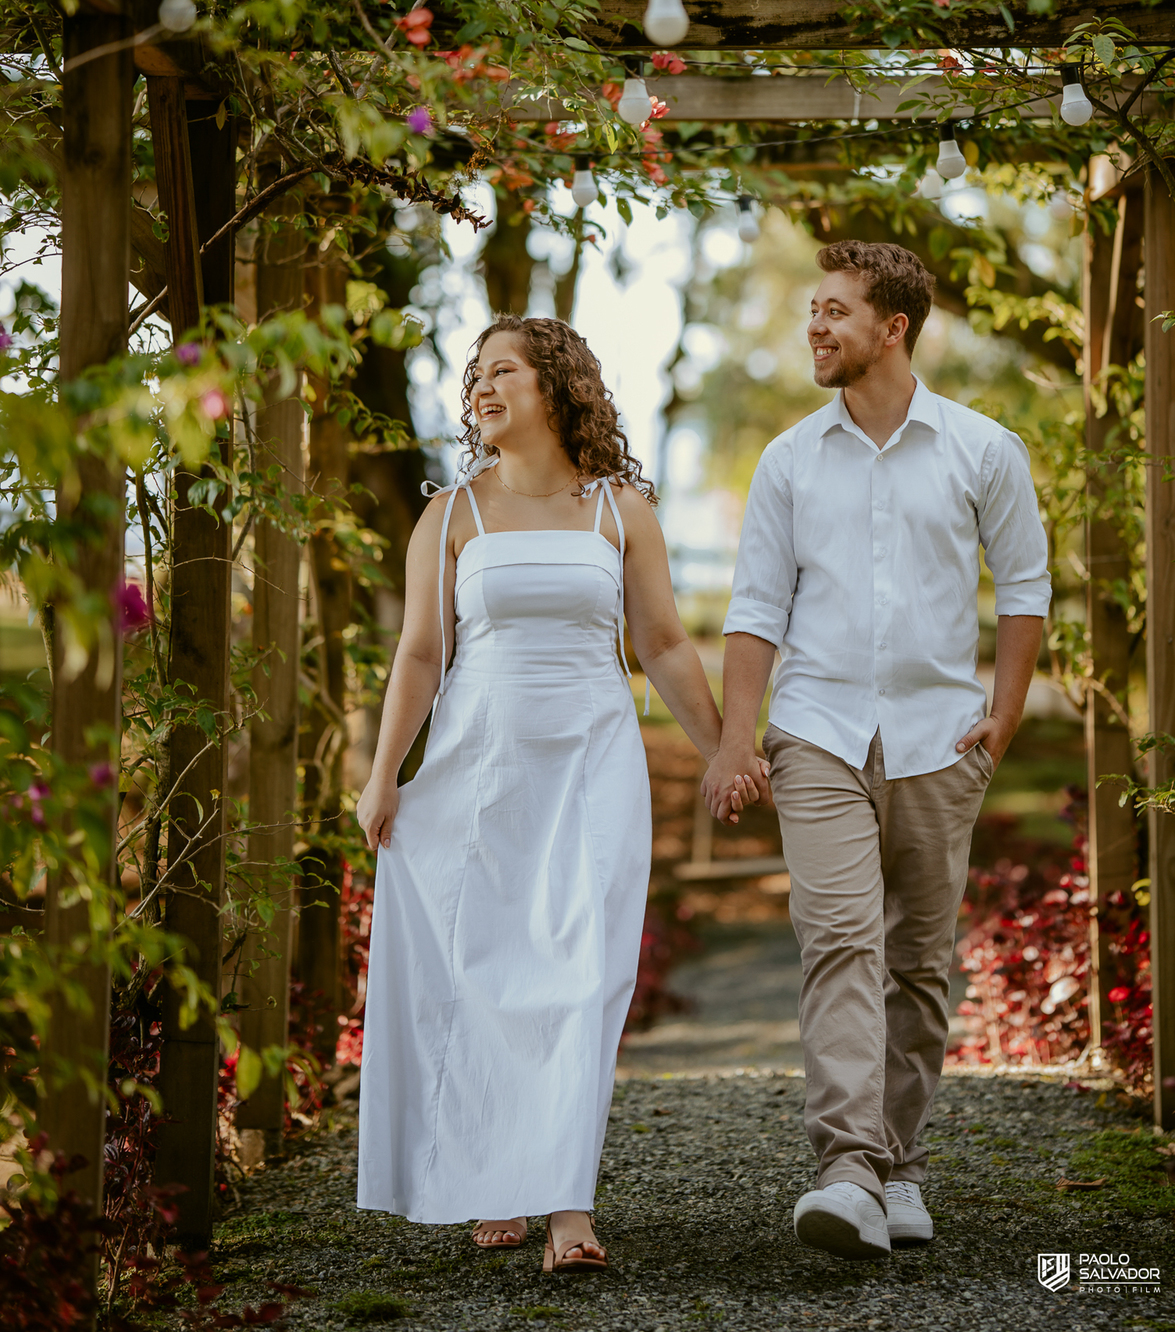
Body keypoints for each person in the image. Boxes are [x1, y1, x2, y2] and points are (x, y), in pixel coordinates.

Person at [355, 314, 748, 1272]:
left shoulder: (621, 510)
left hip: (592, 764)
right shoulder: (450, 515)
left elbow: (660, 645)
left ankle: (568, 1208)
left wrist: (725, 751)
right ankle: (496, 1177)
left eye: (504, 372)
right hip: (477, 773)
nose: (483, 389)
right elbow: (418, 655)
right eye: (474, 375)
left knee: (586, 974)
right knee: (487, 973)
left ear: (556, 388)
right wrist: (383, 775)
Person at [703, 241, 1051, 1261]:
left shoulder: (984, 448)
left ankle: (899, 1166)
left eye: (834, 311)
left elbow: (1023, 587)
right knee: (843, 935)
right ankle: (848, 1168)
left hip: (940, 739)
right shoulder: (789, 459)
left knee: (920, 962)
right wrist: (737, 740)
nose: (814, 327)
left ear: (893, 328)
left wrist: (1006, 713)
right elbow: (756, 609)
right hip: (817, 732)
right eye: (811, 310)